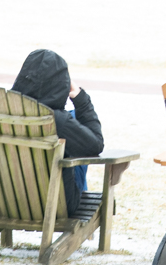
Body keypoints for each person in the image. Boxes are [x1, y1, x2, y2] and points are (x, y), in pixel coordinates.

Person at [10, 49, 103, 215]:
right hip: (58, 204)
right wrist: (82, 101)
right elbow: (95, 145)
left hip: (12, 198)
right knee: (77, 127)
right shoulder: (57, 121)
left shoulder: (1, 115)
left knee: (72, 121)